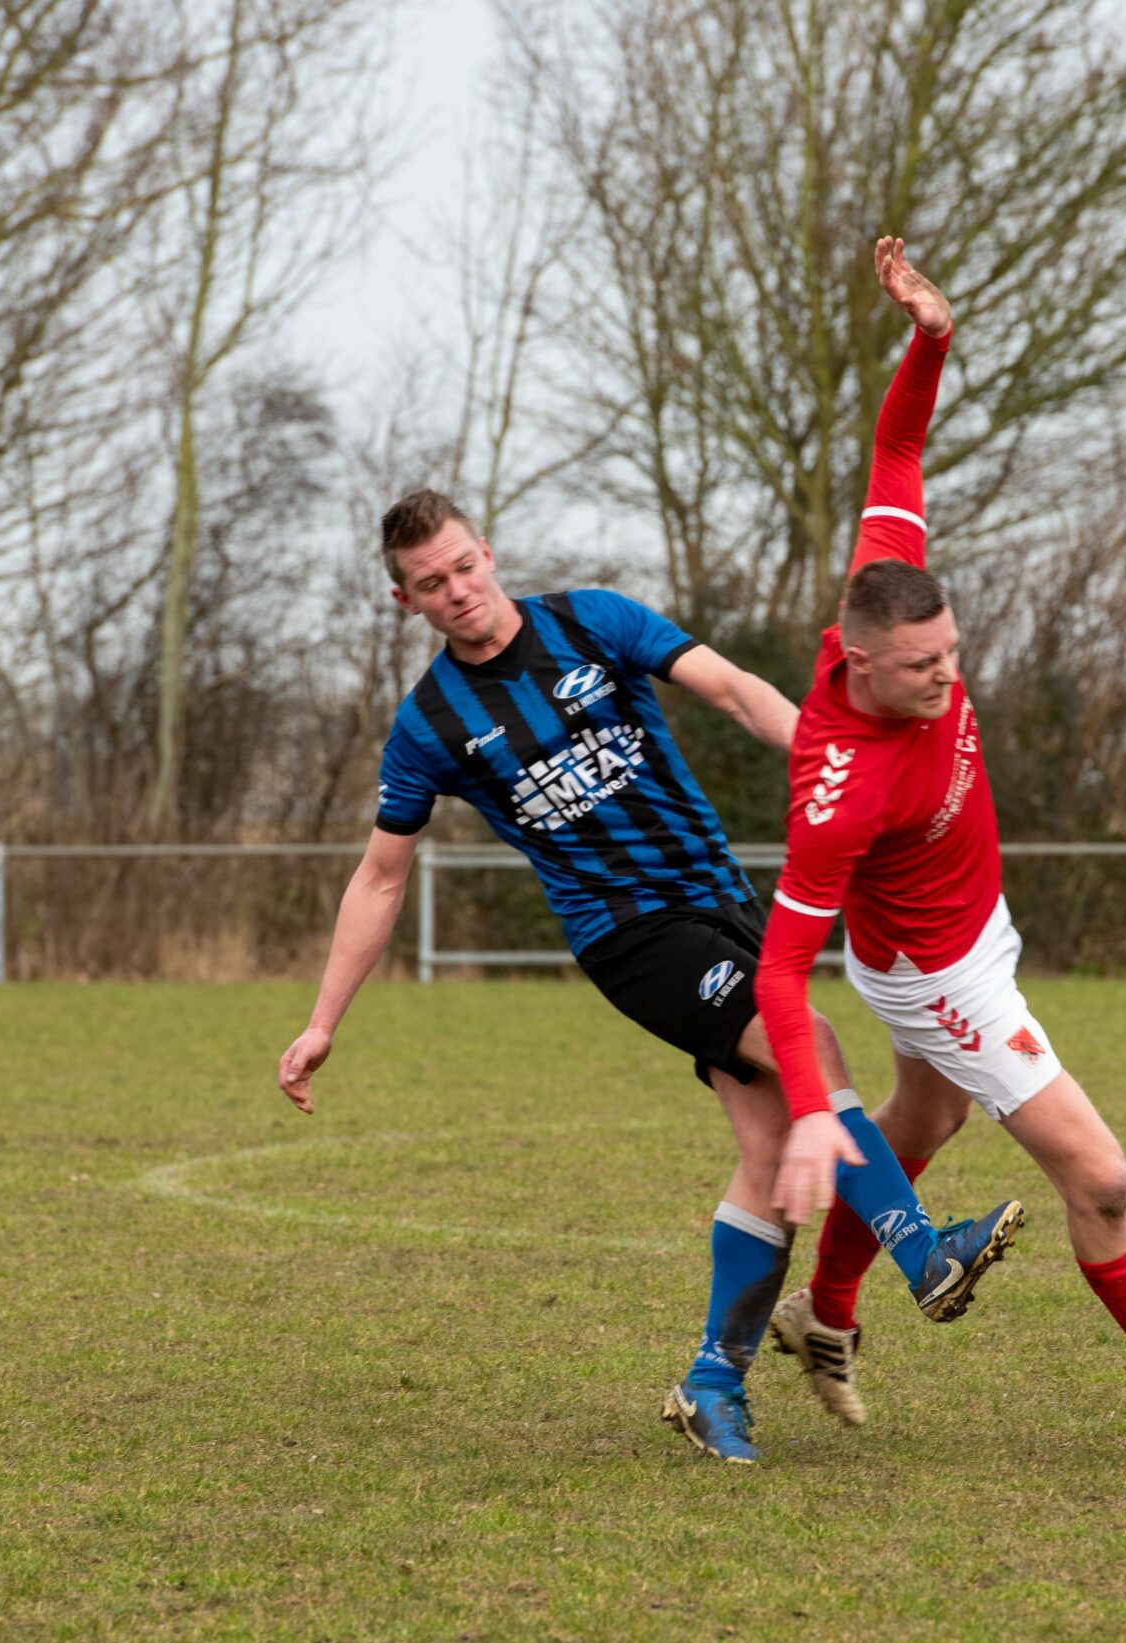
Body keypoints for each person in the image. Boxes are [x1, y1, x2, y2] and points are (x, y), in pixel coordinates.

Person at [273, 487, 1023, 1466]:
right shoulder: (431, 726)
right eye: (430, 583)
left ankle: (712, 1382)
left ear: (487, 551)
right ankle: (923, 1252)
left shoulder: (594, 619)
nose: (456, 590)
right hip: (629, 937)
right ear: (403, 600)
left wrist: (838, 764)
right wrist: (323, 1020)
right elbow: (381, 876)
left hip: (724, 902)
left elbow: (734, 689)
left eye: (462, 565)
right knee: (810, 1041)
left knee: (770, 1153)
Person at [753, 237, 1126, 1472]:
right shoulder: (839, 786)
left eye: (953, 653)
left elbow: (896, 455)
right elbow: (779, 966)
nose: (948, 679)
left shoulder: (884, 596)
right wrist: (808, 1113)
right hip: (938, 974)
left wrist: (929, 339)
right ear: (859, 661)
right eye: (922, 668)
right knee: (1101, 1176)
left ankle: (823, 1310)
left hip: (968, 931)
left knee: (922, 1118)